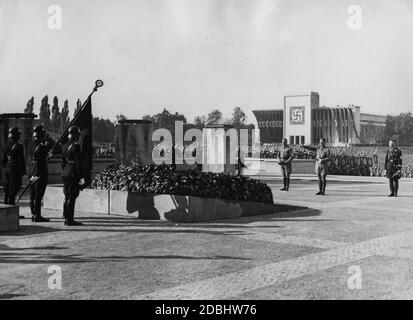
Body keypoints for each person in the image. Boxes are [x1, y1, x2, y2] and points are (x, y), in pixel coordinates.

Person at [61, 126, 85, 226]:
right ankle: (70, 219)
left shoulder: (65, 145)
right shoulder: (76, 146)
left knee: (66, 196)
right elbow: (79, 163)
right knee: (72, 196)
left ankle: (66, 217)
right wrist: (81, 177)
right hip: (73, 173)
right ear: (76, 135)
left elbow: (63, 162)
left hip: (66, 172)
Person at [29, 125, 50, 222]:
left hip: (32, 170)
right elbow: (41, 160)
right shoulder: (42, 145)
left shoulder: (31, 144)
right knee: (38, 194)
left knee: (32, 194)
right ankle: (37, 215)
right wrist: (49, 155)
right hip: (39, 172)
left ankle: (33, 213)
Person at [2, 127, 26, 208]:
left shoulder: (6, 145)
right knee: (14, 189)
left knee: (7, 190)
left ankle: (5, 209)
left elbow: (3, 160)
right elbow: (20, 160)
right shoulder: (19, 146)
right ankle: (11, 210)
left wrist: (5, 168)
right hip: (14, 169)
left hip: (7, 169)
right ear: (16, 135)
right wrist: (23, 172)